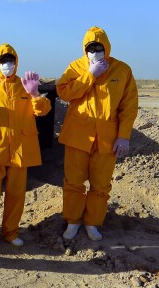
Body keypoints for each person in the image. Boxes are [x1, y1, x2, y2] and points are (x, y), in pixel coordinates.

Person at [57, 26, 138, 241]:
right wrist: (89, 75)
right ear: (85, 49)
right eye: (90, 48)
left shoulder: (122, 70)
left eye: (98, 47)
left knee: (101, 184)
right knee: (73, 182)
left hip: (107, 138)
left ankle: (93, 222)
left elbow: (129, 107)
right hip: (77, 137)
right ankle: (73, 221)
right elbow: (63, 92)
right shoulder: (75, 67)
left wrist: (124, 135)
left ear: (107, 47)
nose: (95, 51)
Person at [0, 44, 50, 247]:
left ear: (16, 62)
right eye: (3, 61)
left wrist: (35, 94)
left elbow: (43, 111)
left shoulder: (25, 85)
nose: (7, 65)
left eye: (10, 61)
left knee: (16, 194)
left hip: (20, 150)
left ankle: (11, 232)